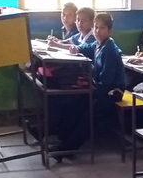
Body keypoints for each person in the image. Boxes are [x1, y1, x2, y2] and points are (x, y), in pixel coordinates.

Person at [53, 13, 126, 153]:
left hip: (112, 91)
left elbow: (106, 80)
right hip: (99, 88)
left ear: (110, 31)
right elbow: (85, 48)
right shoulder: (98, 44)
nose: (98, 31)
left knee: (89, 114)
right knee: (73, 103)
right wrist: (75, 49)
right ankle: (63, 138)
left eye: (102, 28)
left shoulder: (109, 49)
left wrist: (92, 92)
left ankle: (69, 148)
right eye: (96, 27)